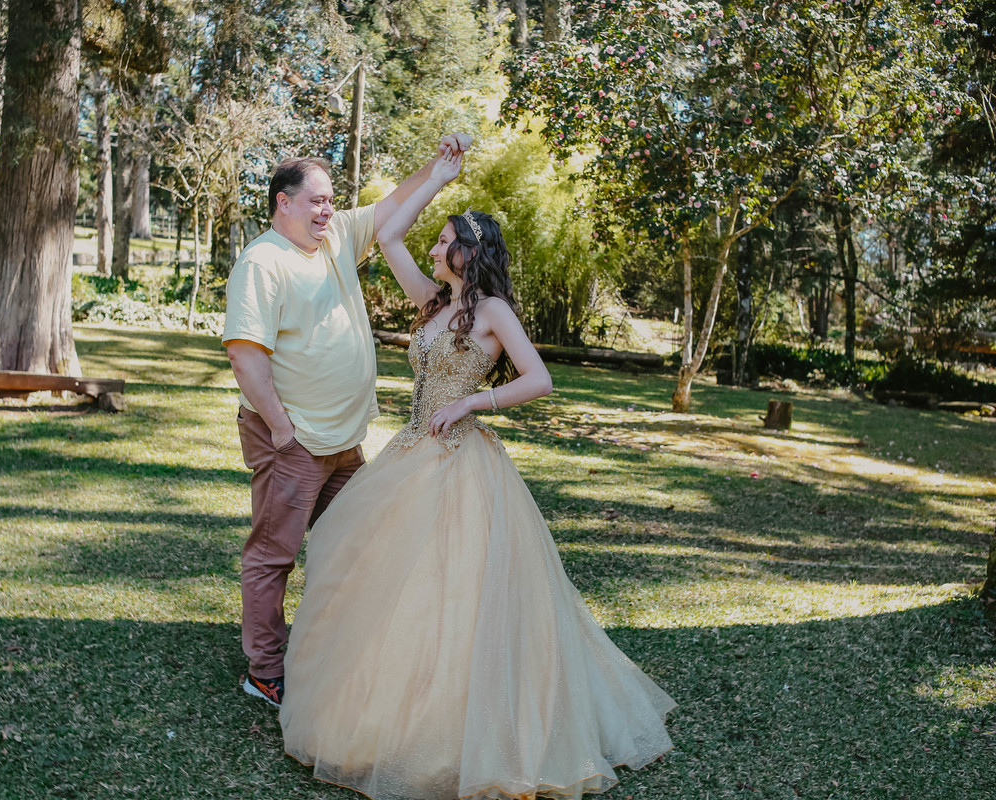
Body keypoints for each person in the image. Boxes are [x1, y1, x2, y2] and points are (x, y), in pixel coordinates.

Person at [279, 151, 676, 800]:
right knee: (384, 583)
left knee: (453, 594)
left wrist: (472, 402)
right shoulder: (434, 302)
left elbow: (539, 379)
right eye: (437, 241)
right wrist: (439, 176)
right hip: (410, 456)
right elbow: (389, 236)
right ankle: (385, 721)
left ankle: (455, 730)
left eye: (445, 242)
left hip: (462, 463)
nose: (434, 249)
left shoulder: (492, 312)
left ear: (471, 251)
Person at [223, 134, 473, 708]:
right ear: (283, 202)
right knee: (273, 555)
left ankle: (336, 648)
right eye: (315, 201)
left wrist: (438, 171)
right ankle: (266, 670)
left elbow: (390, 208)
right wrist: (282, 430)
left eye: (331, 201)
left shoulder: (334, 237)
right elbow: (245, 355)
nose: (326, 210)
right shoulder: (263, 261)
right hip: (295, 441)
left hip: (344, 439)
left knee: (358, 543)